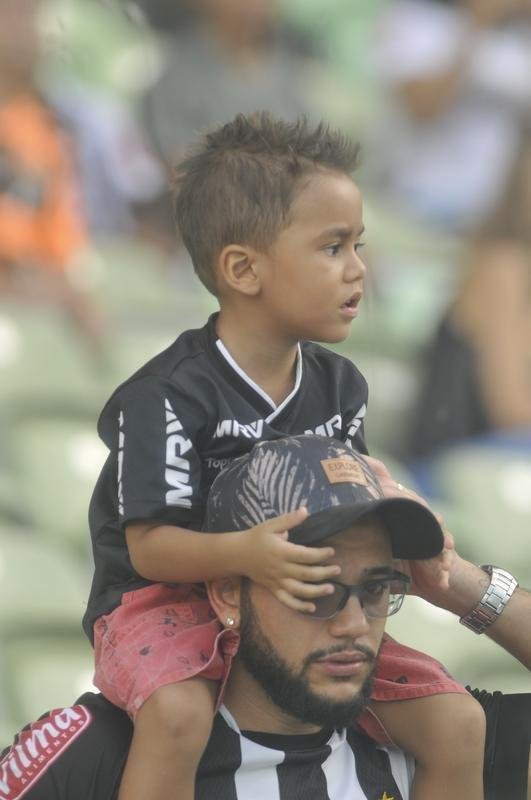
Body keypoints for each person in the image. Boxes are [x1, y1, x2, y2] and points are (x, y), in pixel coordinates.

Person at [84, 112, 483, 800]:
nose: (358, 269)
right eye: (332, 248)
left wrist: (410, 531)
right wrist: (246, 555)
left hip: (301, 601)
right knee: (178, 714)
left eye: (358, 244)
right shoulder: (165, 395)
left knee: (456, 720)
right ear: (243, 268)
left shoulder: (338, 385)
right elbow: (148, 549)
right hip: (162, 604)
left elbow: (352, 512)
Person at [2, 436, 529, 799]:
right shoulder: (111, 749)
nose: (351, 624)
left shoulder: (424, 740)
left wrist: (458, 582)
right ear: (230, 595)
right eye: (314, 589)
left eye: (374, 590)